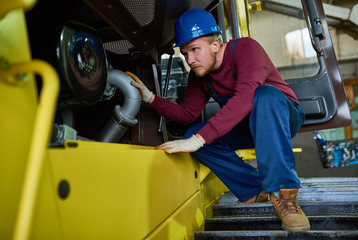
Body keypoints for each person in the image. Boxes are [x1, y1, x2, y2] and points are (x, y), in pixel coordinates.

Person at [130, 8, 310, 232]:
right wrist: (150, 98)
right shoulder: (199, 75)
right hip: (248, 125)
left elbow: (246, 96)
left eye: (195, 50)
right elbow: (187, 114)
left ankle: (285, 195)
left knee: (264, 95)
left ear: (215, 45)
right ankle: (254, 191)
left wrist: (199, 139)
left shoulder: (246, 49)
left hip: (282, 116)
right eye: (185, 54)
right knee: (191, 134)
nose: (190, 60)